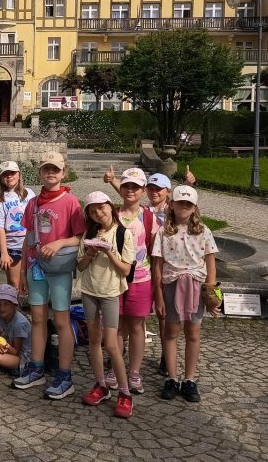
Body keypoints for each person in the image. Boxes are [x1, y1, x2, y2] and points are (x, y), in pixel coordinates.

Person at [12, 151, 85, 399]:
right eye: (46, 169)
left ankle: (64, 374)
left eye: (55, 169)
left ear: (63, 173)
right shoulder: (33, 203)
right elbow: (28, 239)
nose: (51, 173)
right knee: (37, 318)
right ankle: (37, 367)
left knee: (62, 320)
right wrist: (22, 271)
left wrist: (59, 242)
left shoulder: (70, 202)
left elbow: (80, 237)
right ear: (40, 173)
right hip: (36, 267)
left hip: (60, 268)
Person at [151, 186, 220, 403]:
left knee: (193, 332)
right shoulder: (163, 232)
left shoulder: (204, 231)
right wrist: (158, 296)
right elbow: (157, 266)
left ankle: (189, 379)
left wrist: (213, 295)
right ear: (172, 204)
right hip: (172, 284)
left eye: (188, 204)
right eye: (180, 202)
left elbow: (211, 266)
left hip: (196, 286)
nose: (184, 207)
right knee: (171, 331)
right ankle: (172, 377)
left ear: (194, 207)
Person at [76, 191, 135, 418]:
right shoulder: (88, 234)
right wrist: (90, 252)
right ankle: (101, 385)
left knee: (111, 344)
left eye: (102, 207)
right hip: (89, 290)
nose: (98, 213)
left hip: (110, 292)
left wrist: (109, 252)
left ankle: (125, 392)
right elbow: (80, 266)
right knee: (94, 340)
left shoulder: (122, 233)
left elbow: (125, 269)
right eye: (93, 211)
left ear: (111, 206)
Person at [110, 168, 160, 396]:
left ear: (143, 190)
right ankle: (116, 367)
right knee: (118, 326)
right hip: (114, 278)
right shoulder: (112, 215)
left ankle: (135, 371)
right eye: (127, 186)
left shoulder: (149, 218)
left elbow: (155, 252)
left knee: (137, 326)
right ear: (121, 188)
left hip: (141, 277)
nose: (130, 190)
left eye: (135, 187)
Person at [0, 161, 35, 289]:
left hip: (29, 243)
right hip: (11, 246)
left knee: (31, 281)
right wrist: (4, 252)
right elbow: (0, 226)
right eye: (5, 174)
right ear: (1, 178)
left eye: (12, 173)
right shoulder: (1, 199)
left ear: (19, 174)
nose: (9, 176)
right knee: (14, 283)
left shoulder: (29, 193)